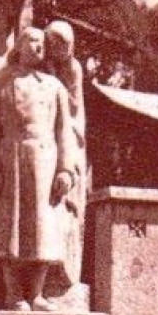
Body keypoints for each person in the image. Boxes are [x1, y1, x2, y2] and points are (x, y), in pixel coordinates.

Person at [0, 27, 78, 311]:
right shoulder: (1, 81)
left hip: (46, 162)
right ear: (19, 46)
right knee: (12, 231)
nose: (39, 47)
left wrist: (65, 170)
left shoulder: (54, 86)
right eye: (33, 41)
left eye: (43, 43)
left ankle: (36, 293)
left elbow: (64, 131)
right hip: (11, 159)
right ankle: (13, 294)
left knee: (44, 229)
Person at [43, 20, 87, 295]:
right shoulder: (40, 64)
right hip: (42, 143)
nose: (63, 49)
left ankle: (63, 276)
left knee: (66, 210)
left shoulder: (72, 69)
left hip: (68, 138)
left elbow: (72, 105)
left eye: (66, 45)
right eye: (57, 44)